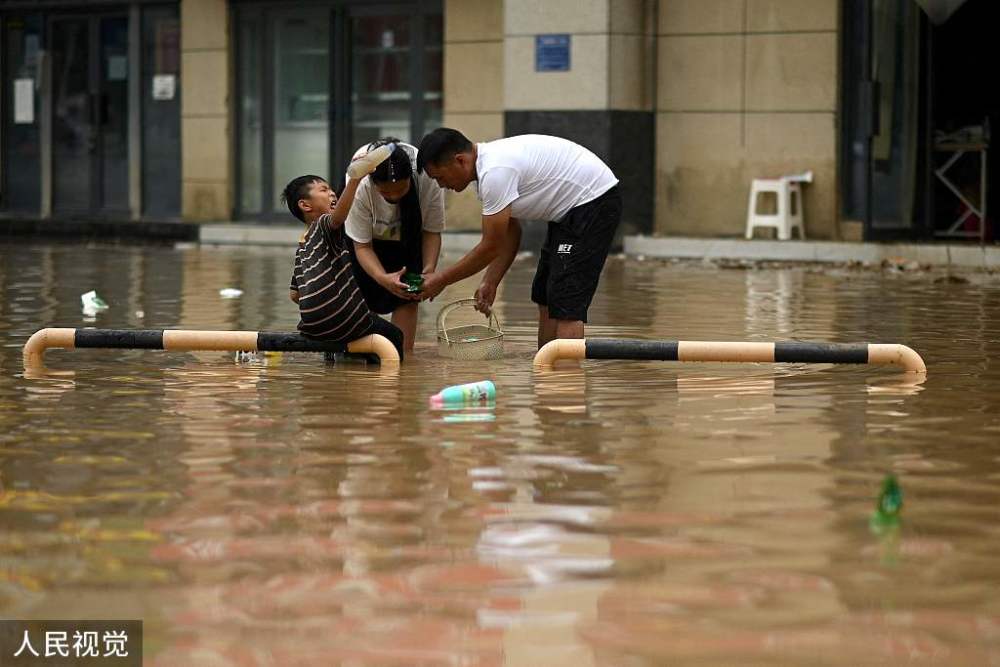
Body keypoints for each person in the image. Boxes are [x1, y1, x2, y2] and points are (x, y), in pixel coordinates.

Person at [416, 129, 622, 348]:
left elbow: (490, 247)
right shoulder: (485, 173)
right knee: (545, 294)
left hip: (593, 202)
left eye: (439, 177)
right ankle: (545, 368)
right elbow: (510, 234)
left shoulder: (495, 172)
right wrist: (491, 281)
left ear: (460, 160)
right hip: (568, 212)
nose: (440, 185)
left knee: (566, 301)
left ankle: (566, 377)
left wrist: (441, 280)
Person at [282, 167, 405, 360]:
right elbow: (338, 218)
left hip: (311, 325)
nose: (332, 192)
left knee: (344, 338)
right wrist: (355, 180)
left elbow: (294, 294)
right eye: (323, 190)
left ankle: (335, 367)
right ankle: (390, 383)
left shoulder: (303, 247)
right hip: (344, 320)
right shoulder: (323, 225)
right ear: (306, 205)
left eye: (331, 189)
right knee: (394, 336)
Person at [344, 138, 444, 352]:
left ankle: (402, 358)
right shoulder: (360, 185)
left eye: (401, 189)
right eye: (386, 192)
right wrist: (382, 278)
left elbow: (432, 231)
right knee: (358, 297)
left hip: (409, 236)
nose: (394, 196)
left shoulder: (427, 177)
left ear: (411, 177)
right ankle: (361, 354)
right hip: (368, 242)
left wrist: (429, 272)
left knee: (409, 294)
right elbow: (362, 246)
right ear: (373, 183)